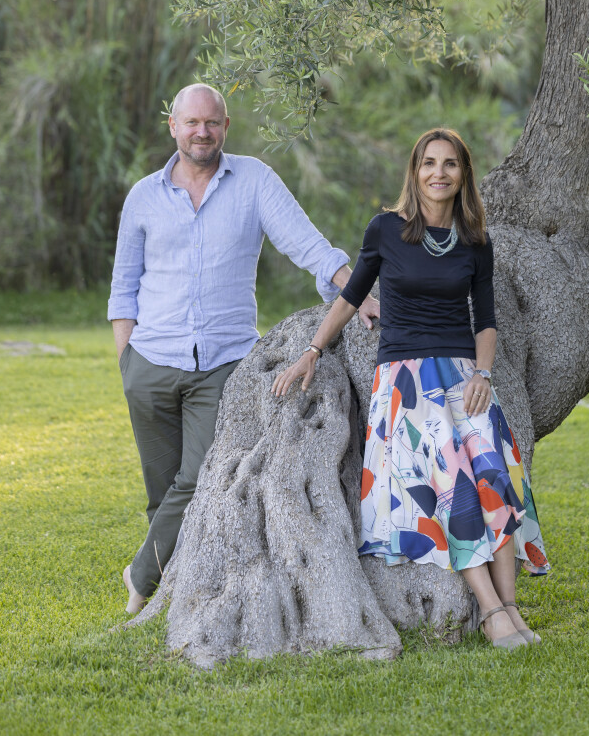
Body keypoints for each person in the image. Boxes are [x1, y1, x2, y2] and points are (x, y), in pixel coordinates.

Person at [273, 127, 549, 650]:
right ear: (415, 171)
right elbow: (351, 296)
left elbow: (486, 322)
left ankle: (513, 608)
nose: (439, 173)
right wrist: (312, 350)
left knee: (498, 476)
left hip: (464, 376)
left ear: (463, 174)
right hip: (405, 381)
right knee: (455, 487)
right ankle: (491, 613)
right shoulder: (385, 230)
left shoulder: (475, 241)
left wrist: (483, 377)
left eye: (450, 164)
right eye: (429, 163)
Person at [109, 82, 379, 614]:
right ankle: (175, 584)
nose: (202, 132)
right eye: (192, 123)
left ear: (225, 127)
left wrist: (354, 289)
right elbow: (123, 286)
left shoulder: (253, 180)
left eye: (212, 122)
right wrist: (127, 362)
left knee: (196, 479)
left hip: (224, 364)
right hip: (150, 363)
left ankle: (139, 579)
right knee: (161, 491)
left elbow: (305, 242)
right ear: (174, 127)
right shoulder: (143, 196)